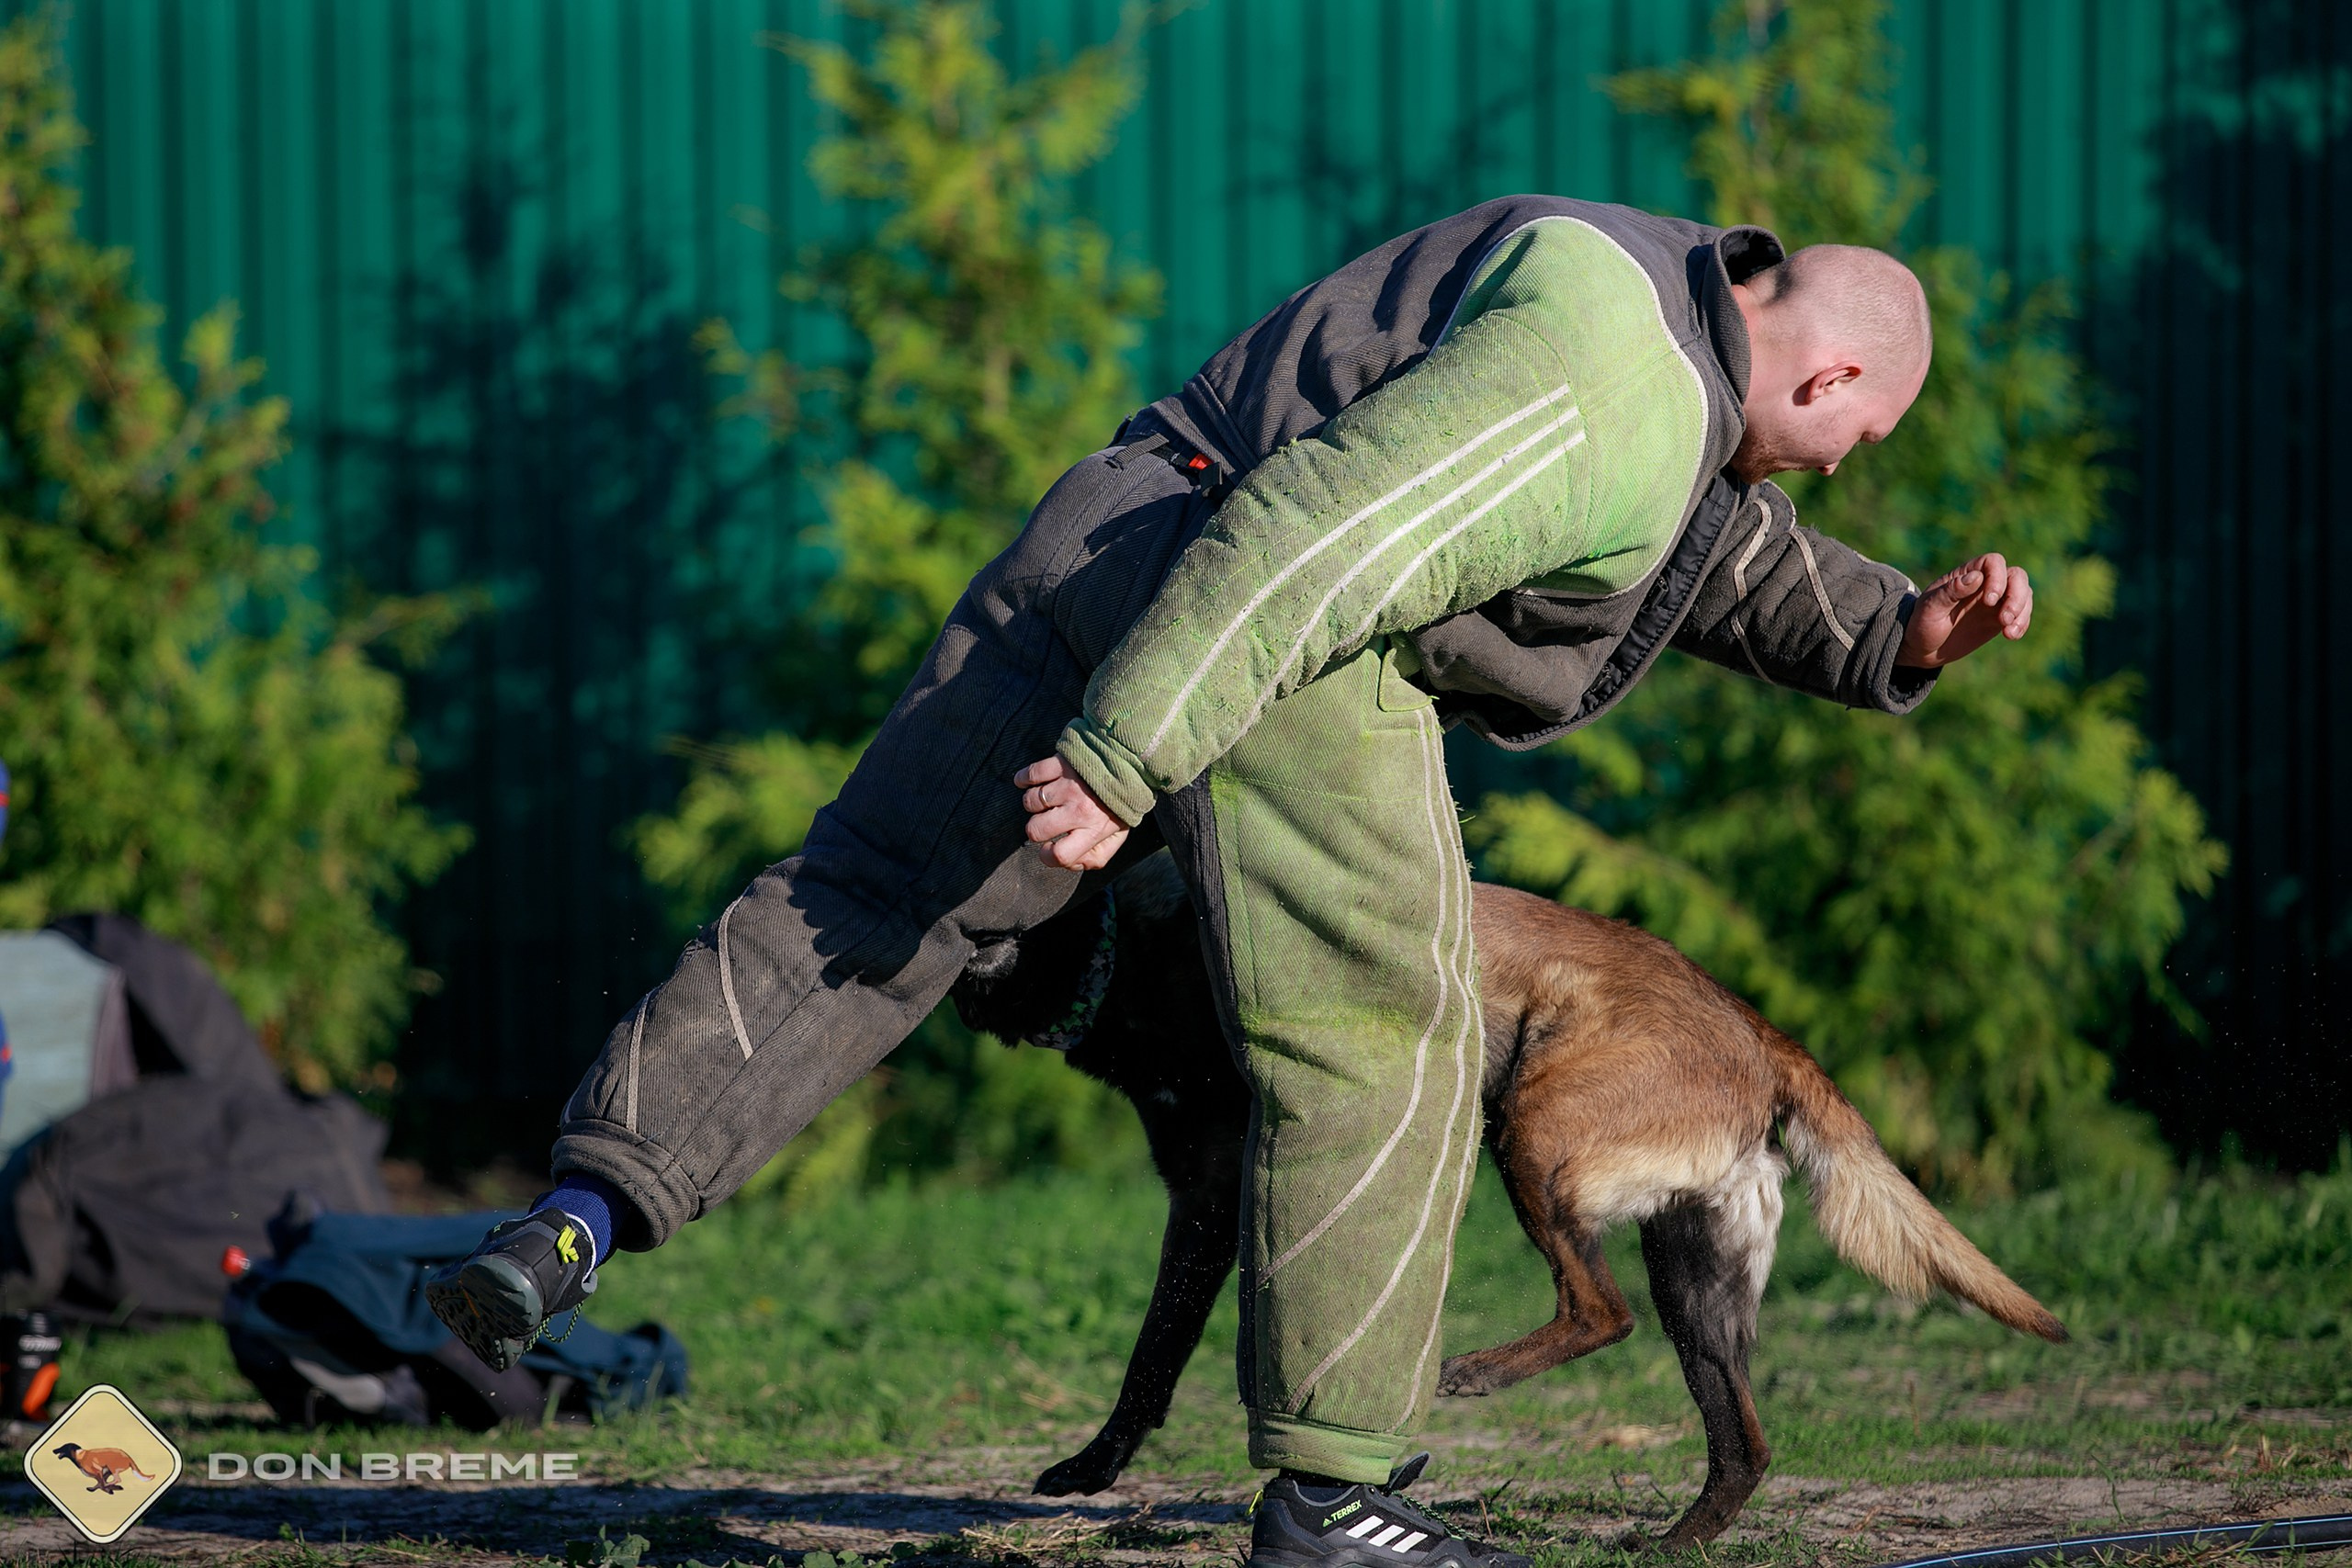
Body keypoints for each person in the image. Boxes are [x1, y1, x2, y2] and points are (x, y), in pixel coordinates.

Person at [428, 197, 2029, 1568]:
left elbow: (1689, 528)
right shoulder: (1611, 383)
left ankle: (575, 1217)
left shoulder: (1648, 279)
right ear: (1823, 371)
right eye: (1854, 438)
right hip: (1260, 625)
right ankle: (1341, 1496)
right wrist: (1130, 752)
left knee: (870, 895)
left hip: (1115, 514)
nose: (1827, 472)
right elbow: (1324, 533)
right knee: (1384, 1027)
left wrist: (1891, 632)